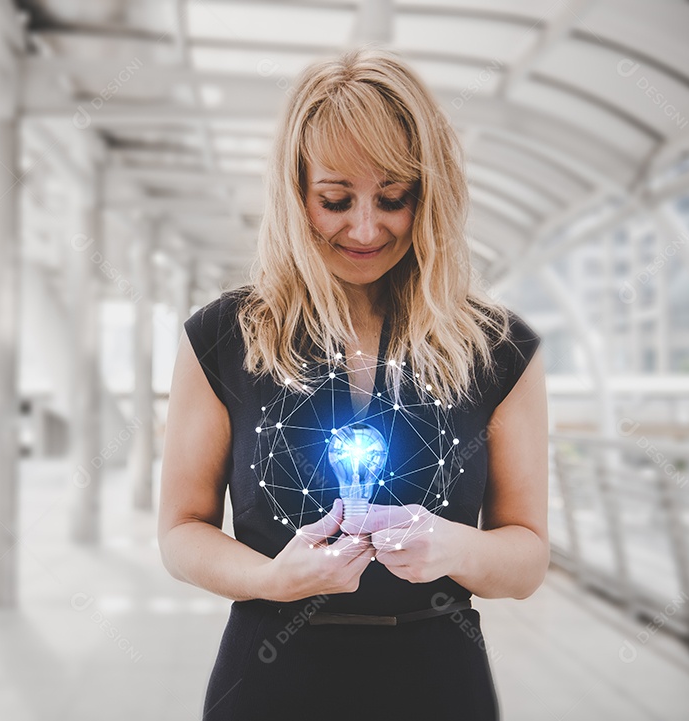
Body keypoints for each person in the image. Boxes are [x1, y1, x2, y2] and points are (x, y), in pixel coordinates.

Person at [158, 46, 547, 720]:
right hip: (268, 683)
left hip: (438, 686)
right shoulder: (225, 337)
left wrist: (452, 545)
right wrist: (270, 577)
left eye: (393, 198)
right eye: (335, 199)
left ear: (429, 196)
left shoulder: (498, 349)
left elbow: (528, 556)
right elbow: (180, 530)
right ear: (295, 191)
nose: (365, 228)